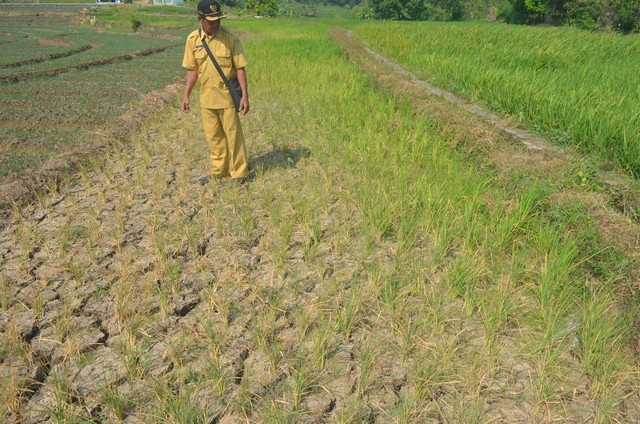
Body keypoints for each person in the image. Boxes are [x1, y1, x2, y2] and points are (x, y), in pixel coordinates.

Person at [181, 0, 249, 185]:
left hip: (227, 98)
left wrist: (244, 96)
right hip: (207, 100)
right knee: (214, 138)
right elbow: (192, 70)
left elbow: (240, 68)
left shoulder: (230, 39)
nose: (216, 24)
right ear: (200, 19)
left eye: (218, 20)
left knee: (234, 137)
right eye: (211, 21)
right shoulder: (192, 41)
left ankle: (239, 173)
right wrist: (186, 95)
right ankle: (219, 171)